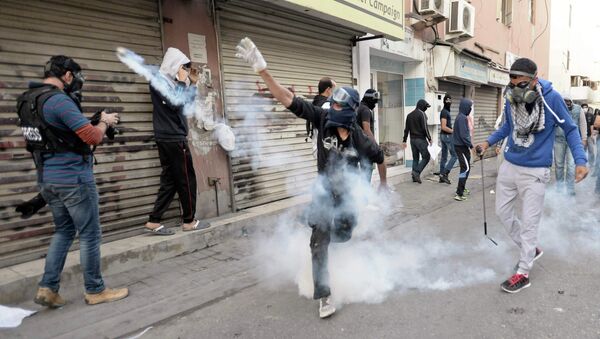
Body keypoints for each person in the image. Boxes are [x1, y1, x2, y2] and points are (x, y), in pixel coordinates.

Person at [235, 37, 388, 319]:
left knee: (342, 237)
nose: (333, 110)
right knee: (319, 242)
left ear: (351, 112)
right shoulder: (322, 118)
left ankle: (327, 232)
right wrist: (262, 70)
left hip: (347, 202)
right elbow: (287, 99)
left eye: (339, 108)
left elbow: (380, 159)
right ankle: (324, 295)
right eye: (332, 106)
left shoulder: (362, 142)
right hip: (323, 195)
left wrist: (383, 188)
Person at [18, 55, 129, 307]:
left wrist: (90, 120)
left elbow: (56, 134)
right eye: (75, 78)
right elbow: (91, 137)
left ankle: (48, 288)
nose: (76, 83)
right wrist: (103, 122)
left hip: (48, 178)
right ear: (67, 75)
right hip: (73, 179)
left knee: (64, 230)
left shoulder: (27, 100)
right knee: (90, 234)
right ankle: (95, 290)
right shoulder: (59, 100)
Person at [477, 58, 588, 294]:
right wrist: (487, 142)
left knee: (529, 223)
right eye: (512, 83)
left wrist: (580, 160)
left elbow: (570, 128)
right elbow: (507, 127)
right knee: (503, 213)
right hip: (510, 164)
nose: (516, 89)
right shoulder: (510, 99)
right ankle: (532, 249)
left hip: (536, 170)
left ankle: (523, 272)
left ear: (534, 80)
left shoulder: (552, 99)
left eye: (522, 84)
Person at [144, 47, 210, 235]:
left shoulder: (170, 83)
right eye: (183, 67)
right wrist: (182, 82)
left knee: (170, 180)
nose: (185, 72)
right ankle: (189, 220)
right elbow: (174, 103)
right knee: (186, 180)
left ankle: (154, 220)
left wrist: (193, 85)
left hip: (169, 137)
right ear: (174, 65)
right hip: (173, 138)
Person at [553, 94, 586, 196]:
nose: (566, 103)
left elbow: (583, 124)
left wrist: (584, 139)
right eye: (564, 101)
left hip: (572, 141)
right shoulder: (556, 108)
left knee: (571, 166)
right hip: (558, 140)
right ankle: (559, 188)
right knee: (559, 165)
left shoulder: (578, 109)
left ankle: (570, 189)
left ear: (571, 101)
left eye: (568, 101)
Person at [402, 99, 432, 183]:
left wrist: (404, 140)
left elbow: (406, 129)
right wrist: (429, 138)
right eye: (426, 107)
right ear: (422, 106)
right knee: (426, 157)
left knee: (415, 158)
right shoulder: (422, 114)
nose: (426, 109)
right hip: (421, 140)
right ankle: (416, 172)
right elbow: (425, 128)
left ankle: (414, 177)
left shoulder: (409, 115)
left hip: (412, 140)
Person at [308, 78, 336, 158]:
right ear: (328, 89)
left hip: (317, 144)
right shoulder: (326, 105)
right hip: (326, 147)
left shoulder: (315, 102)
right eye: (333, 89)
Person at [452, 99, 474, 201]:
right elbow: (464, 135)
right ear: (465, 107)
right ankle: (459, 193)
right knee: (465, 168)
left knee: (466, 167)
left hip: (461, 146)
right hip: (461, 147)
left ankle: (462, 188)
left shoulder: (461, 116)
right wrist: (471, 146)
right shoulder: (462, 118)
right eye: (469, 107)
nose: (470, 109)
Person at [357, 89, 380, 182]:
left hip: (356, 144)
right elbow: (366, 129)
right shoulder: (366, 110)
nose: (375, 104)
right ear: (370, 99)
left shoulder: (358, 107)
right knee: (367, 170)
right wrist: (375, 144)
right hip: (365, 145)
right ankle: (365, 193)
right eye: (374, 101)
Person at [438, 94, 457, 184]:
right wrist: (453, 131)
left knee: (444, 157)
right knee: (454, 155)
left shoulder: (445, 111)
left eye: (450, 101)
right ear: (445, 101)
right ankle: (445, 173)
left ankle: (442, 176)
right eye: (447, 101)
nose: (449, 103)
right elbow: (443, 127)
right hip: (447, 136)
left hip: (444, 136)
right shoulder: (444, 112)